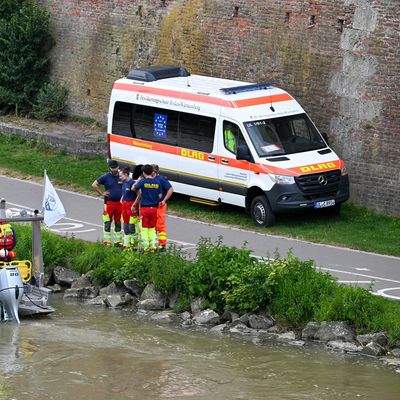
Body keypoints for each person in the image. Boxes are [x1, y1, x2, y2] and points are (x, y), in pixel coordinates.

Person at [92, 160, 123, 246]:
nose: (114, 169)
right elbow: (94, 184)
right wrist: (101, 193)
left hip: (119, 204)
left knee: (118, 222)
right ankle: (107, 241)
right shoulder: (106, 176)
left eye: (115, 168)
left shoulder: (121, 176)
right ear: (109, 168)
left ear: (118, 167)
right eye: (112, 168)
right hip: (109, 203)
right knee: (107, 222)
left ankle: (117, 241)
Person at [131, 164, 161, 252]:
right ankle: (154, 247)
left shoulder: (143, 181)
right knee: (152, 229)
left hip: (145, 208)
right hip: (154, 208)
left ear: (143, 172)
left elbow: (133, 188)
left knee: (144, 229)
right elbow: (160, 195)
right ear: (152, 172)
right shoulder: (157, 182)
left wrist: (138, 181)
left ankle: (145, 248)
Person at [152, 164, 174, 249]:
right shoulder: (150, 178)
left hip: (160, 204)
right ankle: (153, 243)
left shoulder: (161, 179)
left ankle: (162, 244)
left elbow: (170, 189)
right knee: (153, 224)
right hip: (152, 205)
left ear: (155, 171)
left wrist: (164, 200)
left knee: (160, 224)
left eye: (152, 171)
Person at [119, 166, 139, 248]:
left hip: (131, 205)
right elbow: (124, 192)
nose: (120, 178)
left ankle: (134, 244)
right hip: (124, 205)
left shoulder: (132, 183)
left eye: (121, 176)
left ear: (126, 174)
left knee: (132, 226)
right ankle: (126, 244)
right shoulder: (124, 183)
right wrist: (122, 198)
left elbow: (139, 194)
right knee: (126, 225)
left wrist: (134, 205)